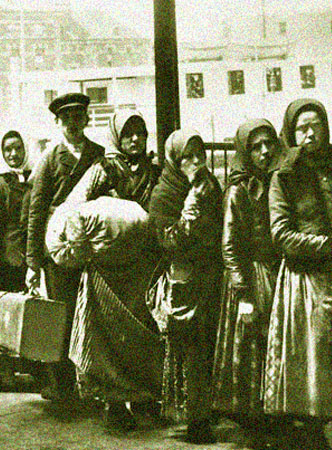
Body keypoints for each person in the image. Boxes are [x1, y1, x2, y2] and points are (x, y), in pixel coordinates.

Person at [64, 111, 163, 430]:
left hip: (142, 266)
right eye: (128, 133)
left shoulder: (154, 171)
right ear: (117, 136)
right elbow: (74, 208)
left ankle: (144, 396)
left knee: (142, 330)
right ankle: (114, 403)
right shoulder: (102, 169)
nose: (135, 139)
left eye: (141, 133)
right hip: (106, 270)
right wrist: (85, 249)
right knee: (106, 335)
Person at [26, 93, 104, 401]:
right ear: (58, 123)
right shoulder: (50, 158)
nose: (73, 123)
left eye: (78, 117)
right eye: (66, 118)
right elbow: (36, 211)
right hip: (58, 248)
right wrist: (33, 263)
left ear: (86, 120)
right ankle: (61, 384)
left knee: (90, 315)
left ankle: (92, 382)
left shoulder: (98, 155)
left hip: (90, 245)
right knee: (63, 315)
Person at [265, 99, 332, 450]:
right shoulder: (284, 176)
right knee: (314, 357)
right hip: (306, 279)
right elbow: (281, 234)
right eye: (301, 128)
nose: (309, 134)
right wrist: (324, 245)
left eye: (315, 126)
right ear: (291, 134)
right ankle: (313, 430)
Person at [148, 129, 223, 444]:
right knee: (191, 349)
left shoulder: (209, 185)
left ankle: (210, 409)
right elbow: (170, 242)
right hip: (183, 279)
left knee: (211, 345)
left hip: (211, 273)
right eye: (187, 157)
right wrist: (192, 205)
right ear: (174, 161)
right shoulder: (164, 194)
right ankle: (196, 421)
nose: (195, 162)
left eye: (199, 155)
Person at [212, 119, 281, 442]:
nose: (264, 152)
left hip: (276, 273)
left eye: (269, 144)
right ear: (245, 152)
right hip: (250, 277)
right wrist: (243, 293)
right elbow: (229, 246)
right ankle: (253, 421)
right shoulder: (238, 190)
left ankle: (276, 412)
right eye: (256, 147)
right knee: (251, 346)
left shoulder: (279, 181)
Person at [0, 130, 31, 294]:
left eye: (18, 148)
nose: (14, 154)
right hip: (9, 261)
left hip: (34, 258)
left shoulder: (35, 179)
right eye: (8, 150)